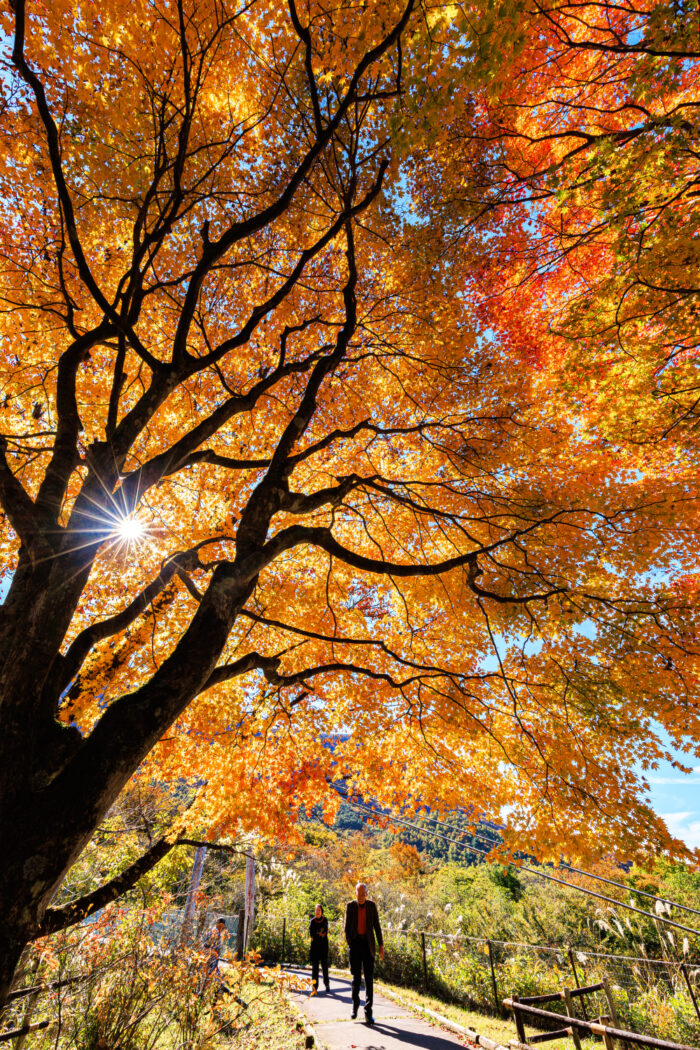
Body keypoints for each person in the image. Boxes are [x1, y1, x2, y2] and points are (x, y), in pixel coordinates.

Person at [344, 882, 384, 1025]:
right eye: (358, 893)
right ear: (355, 893)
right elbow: (346, 927)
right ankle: (355, 1006)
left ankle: (368, 1012)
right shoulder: (350, 906)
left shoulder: (372, 906)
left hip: (368, 946)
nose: (360, 896)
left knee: (369, 980)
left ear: (367, 894)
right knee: (355, 977)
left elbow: (377, 926)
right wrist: (350, 942)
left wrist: (381, 945)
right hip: (355, 945)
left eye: (363, 894)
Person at [308, 903, 330, 992]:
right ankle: (315, 986)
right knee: (315, 968)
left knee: (325, 966)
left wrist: (320, 934)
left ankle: (327, 984)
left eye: (319, 910)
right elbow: (312, 934)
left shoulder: (325, 920)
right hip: (315, 947)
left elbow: (325, 931)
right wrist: (318, 935)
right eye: (316, 910)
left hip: (324, 946)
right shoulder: (312, 921)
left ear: (321, 911)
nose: (317, 912)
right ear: (314, 911)